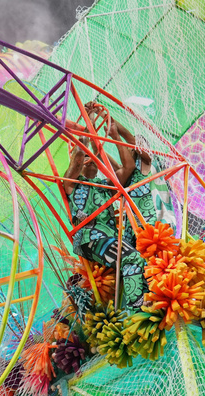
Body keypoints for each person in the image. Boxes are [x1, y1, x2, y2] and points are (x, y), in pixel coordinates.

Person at [63, 103, 147, 308]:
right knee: (131, 257)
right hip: (92, 240)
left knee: (143, 256)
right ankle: (138, 304)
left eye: (92, 157)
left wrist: (114, 135)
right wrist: (88, 123)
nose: (89, 160)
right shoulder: (71, 184)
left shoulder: (104, 186)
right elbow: (78, 157)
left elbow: (128, 167)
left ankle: (143, 296)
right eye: (86, 157)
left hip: (111, 237)